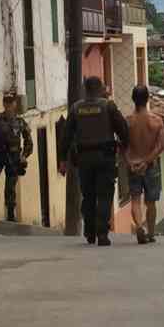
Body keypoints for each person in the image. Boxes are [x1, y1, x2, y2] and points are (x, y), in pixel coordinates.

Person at [59, 77, 129, 246]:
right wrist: (124, 146)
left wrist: (62, 160)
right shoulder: (108, 106)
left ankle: (90, 231)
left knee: (88, 195)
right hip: (105, 158)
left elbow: (66, 136)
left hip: (84, 159)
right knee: (104, 195)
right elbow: (123, 129)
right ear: (100, 89)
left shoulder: (76, 108)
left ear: (85, 89)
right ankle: (102, 233)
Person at [0, 92, 33, 221]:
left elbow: (29, 142)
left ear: (15, 104)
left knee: (10, 188)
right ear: (3, 103)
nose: (8, 105)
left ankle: (11, 216)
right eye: (6, 102)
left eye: (11, 102)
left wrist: (24, 156)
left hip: (13, 159)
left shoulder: (20, 122)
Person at [124, 86, 164, 244]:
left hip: (133, 166)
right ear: (147, 99)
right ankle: (151, 232)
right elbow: (161, 146)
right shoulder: (156, 121)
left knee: (135, 199)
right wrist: (147, 161)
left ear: (133, 99)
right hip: (150, 166)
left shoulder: (128, 121)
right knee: (151, 202)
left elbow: (122, 146)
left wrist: (130, 162)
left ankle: (139, 226)